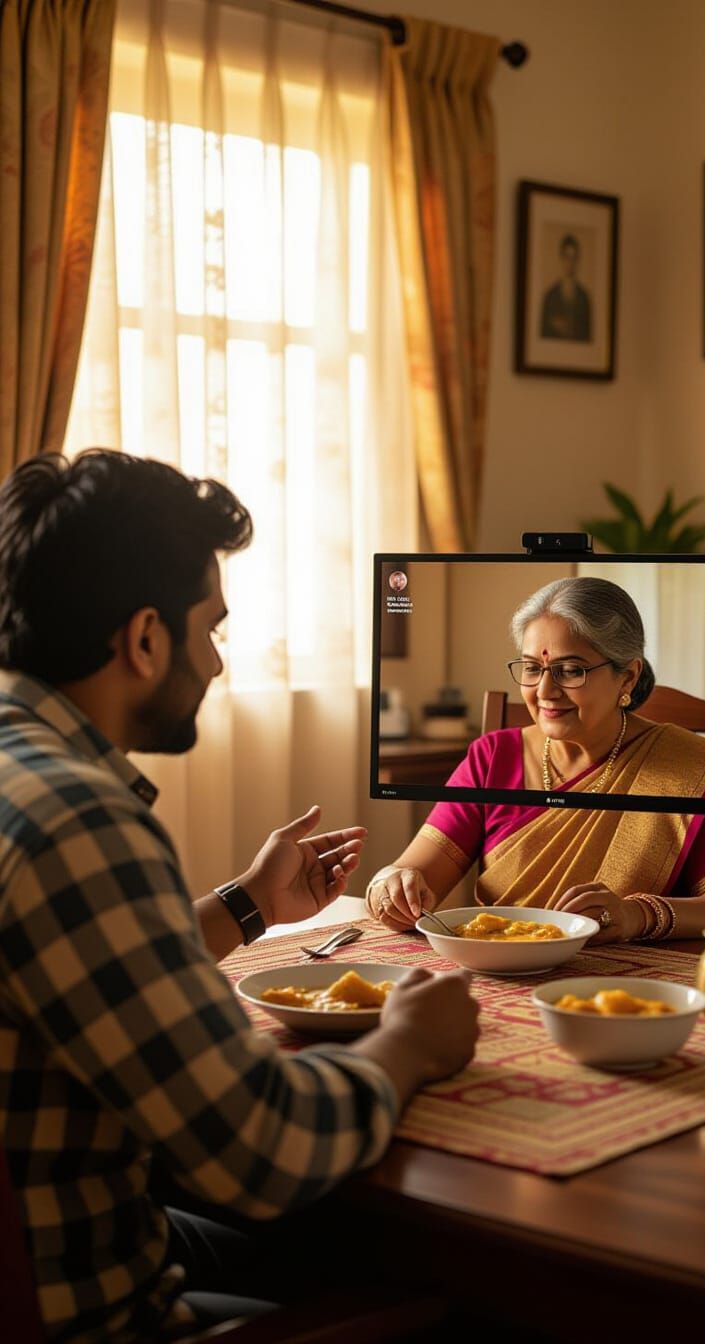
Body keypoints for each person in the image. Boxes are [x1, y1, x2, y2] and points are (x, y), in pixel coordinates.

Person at [0, 450, 479, 1343]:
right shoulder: (79, 819)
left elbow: (81, 970)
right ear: (146, 639)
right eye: (209, 628)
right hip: (90, 1304)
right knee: (471, 1308)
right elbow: (263, 1148)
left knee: (332, 1256)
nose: (217, 663)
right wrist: (410, 1045)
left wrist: (248, 904)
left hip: (61, 1237)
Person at [366, 577, 705, 944]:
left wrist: (636, 915)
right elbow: (410, 874)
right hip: (500, 970)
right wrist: (391, 887)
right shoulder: (492, 758)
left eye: (571, 670)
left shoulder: (692, 771)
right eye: (532, 668)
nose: (545, 691)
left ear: (628, 677)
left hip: (629, 980)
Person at [539, 233, 592, 341]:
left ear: (578, 260)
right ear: (561, 259)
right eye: (567, 257)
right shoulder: (549, 297)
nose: (570, 263)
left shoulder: (584, 298)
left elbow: (587, 336)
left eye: (574, 258)